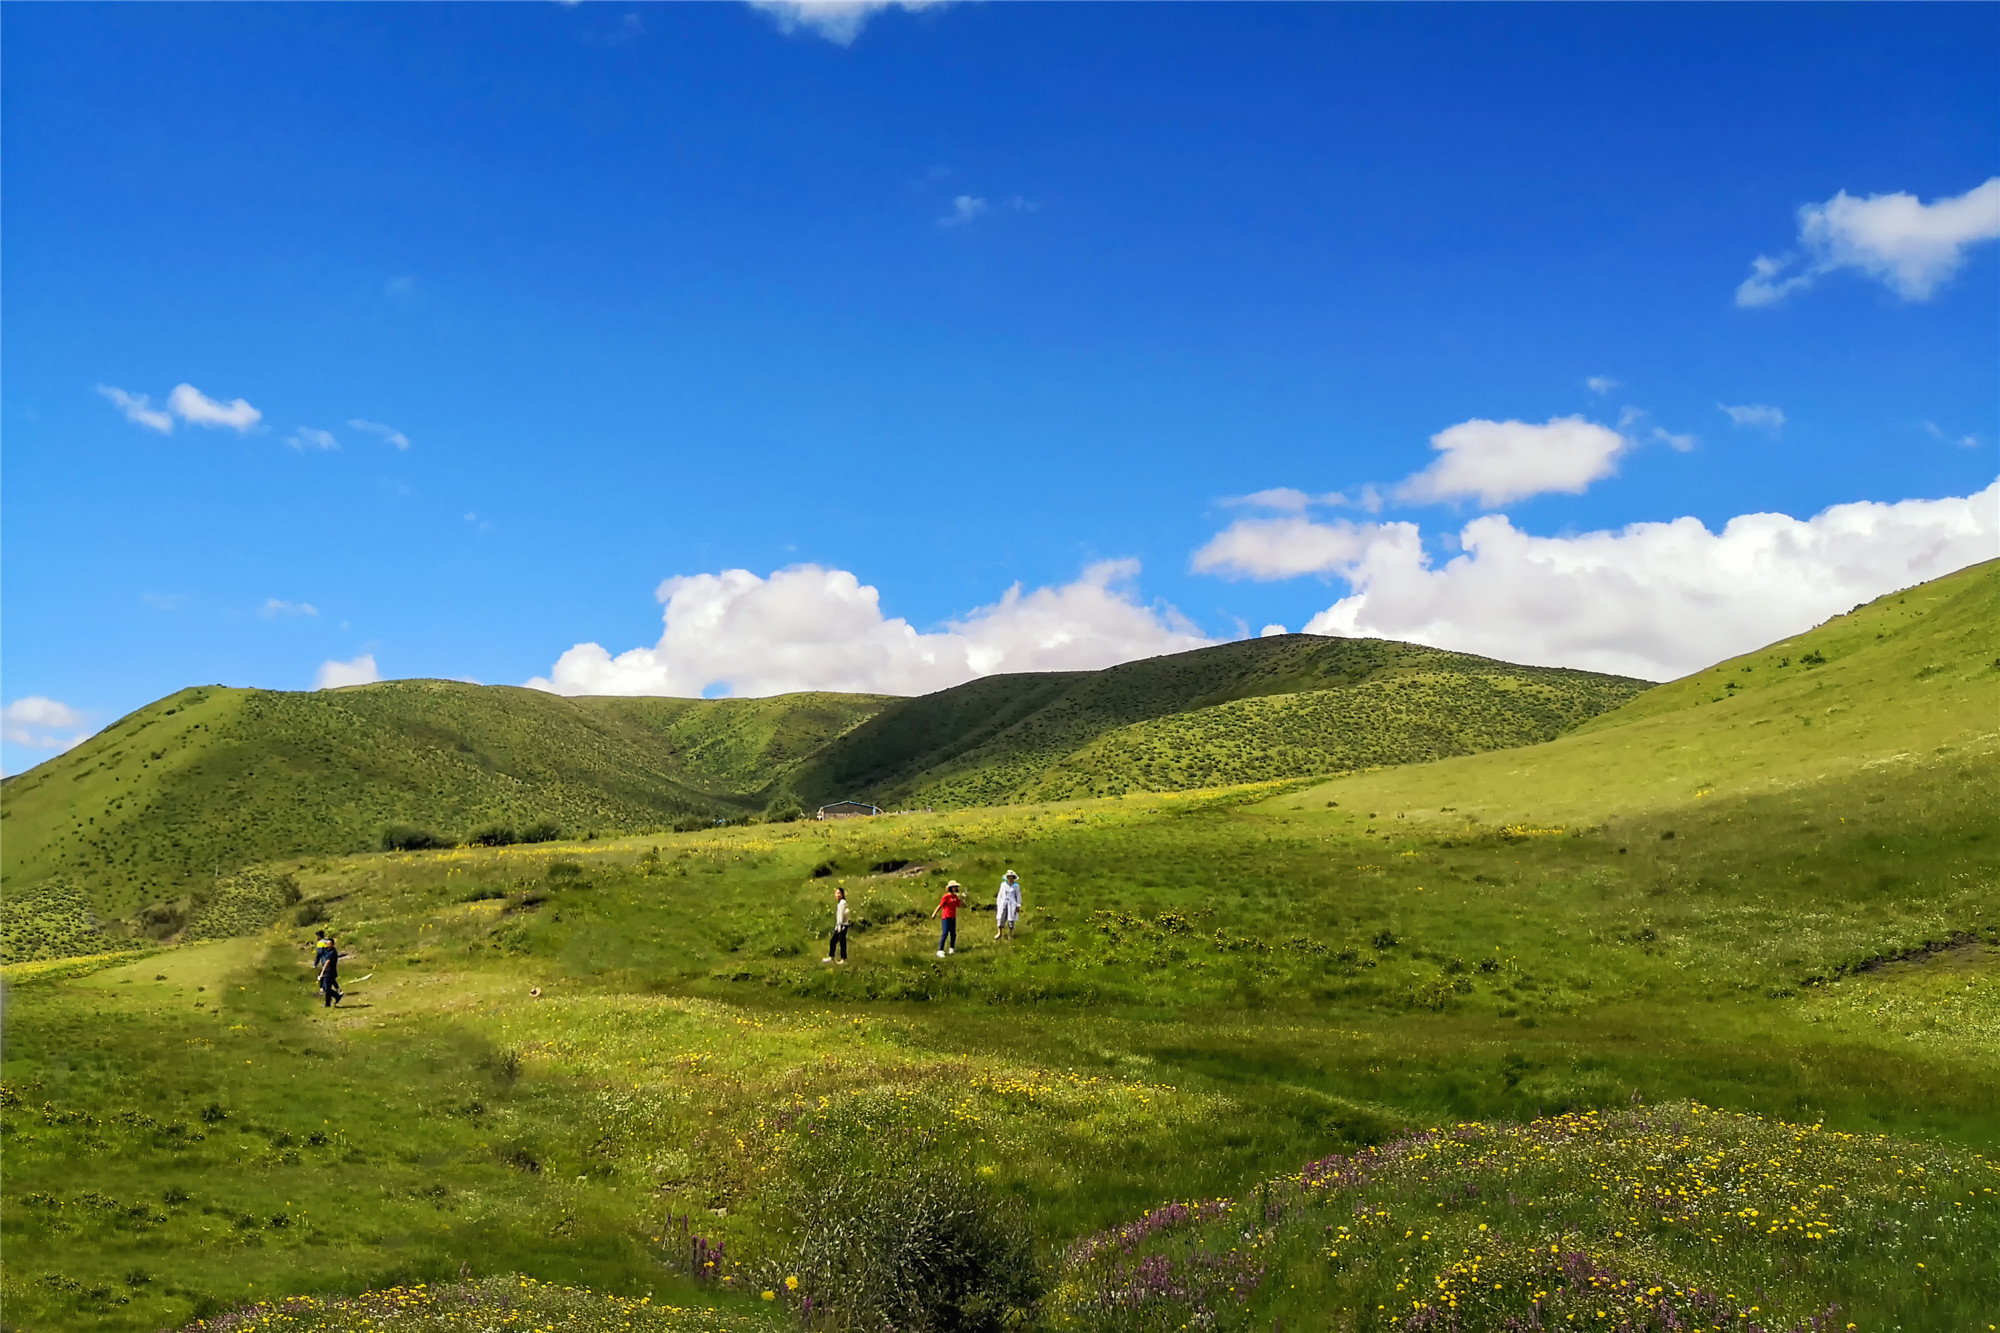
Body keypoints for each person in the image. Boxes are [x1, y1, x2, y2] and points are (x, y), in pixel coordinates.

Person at [931, 880, 962, 957]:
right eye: (955, 887)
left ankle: (951, 948)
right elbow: (940, 905)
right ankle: (940, 950)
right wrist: (934, 913)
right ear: (951, 888)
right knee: (945, 933)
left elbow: (958, 905)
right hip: (946, 917)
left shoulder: (955, 897)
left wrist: (962, 898)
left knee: (953, 934)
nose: (956, 888)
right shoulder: (946, 896)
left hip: (953, 917)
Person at [823, 886, 850, 964]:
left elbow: (841, 915)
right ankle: (832, 957)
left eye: (839, 893)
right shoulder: (840, 903)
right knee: (834, 941)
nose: (837, 895)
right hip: (840, 925)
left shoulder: (842, 903)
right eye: (836, 893)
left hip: (843, 925)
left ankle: (843, 959)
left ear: (842, 894)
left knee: (841, 942)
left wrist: (839, 926)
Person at [994, 869, 1023, 941]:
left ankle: (1010, 934)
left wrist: (1018, 905)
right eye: (1009, 876)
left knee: (1011, 919)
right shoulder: (1003, 885)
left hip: (1012, 904)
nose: (1010, 878)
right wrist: (998, 903)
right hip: (1003, 903)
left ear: (1013, 878)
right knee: (1001, 917)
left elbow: (1018, 896)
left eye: (1011, 877)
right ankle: (999, 933)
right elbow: (1000, 894)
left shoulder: (1016, 886)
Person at [316, 933, 343, 1007]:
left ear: (333, 944)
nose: (328, 945)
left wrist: (321, 973)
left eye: (329, 944)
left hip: (330, 972)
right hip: (328, 971)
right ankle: (333, 999)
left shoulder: (333, 952)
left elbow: (327, 963)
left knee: (327, 988)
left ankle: (333, 999)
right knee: (326, 988)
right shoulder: (329, 951)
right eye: (327, 944)